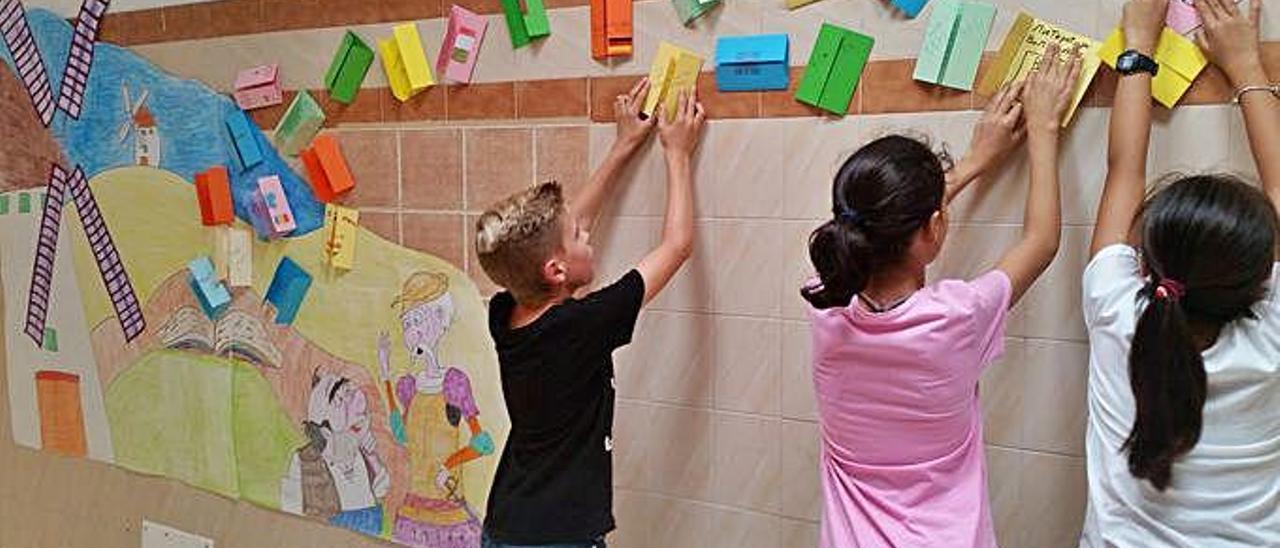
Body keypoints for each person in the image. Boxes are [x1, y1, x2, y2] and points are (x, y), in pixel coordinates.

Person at [803, 47, 1082, 547]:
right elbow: (1041, 242)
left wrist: (975, 161)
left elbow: (883, 225)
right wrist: (1044, 130)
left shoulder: (826, 310)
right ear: (934, 226)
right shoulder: (955, 317)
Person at [1080, 0, 1280, 545]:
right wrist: (1246, 65)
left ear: (1142, 262)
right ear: (1264, 278)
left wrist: (1137, 44)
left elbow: (1123, 171)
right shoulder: (1272, 335)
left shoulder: (1117, 307)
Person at [474, 79, 706, 547]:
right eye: (578, 237)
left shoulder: (507, 311)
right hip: (559, 535)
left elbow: (556, 236)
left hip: (507, 525)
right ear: (556, 269)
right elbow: (677, 246)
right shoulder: (581, 326)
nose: (587, 235)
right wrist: (677, 154)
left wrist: (623, 147)